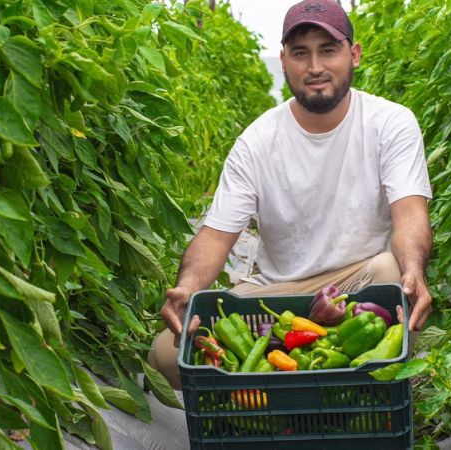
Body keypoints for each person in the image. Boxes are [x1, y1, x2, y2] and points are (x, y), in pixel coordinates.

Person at [148, 0, 433, 390]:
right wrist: (189, 289)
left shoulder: (390, 123)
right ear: (283, 61)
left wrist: (414, 270)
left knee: (392, 274)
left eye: (328, 50)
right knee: (165, 354)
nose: (314, 67)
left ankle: (363, 398)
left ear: (354, 55)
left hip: (356, 283)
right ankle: (298, 404)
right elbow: (215, 236)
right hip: (280, 290)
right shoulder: (258, 140)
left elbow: (410, 216)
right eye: (300, 53)